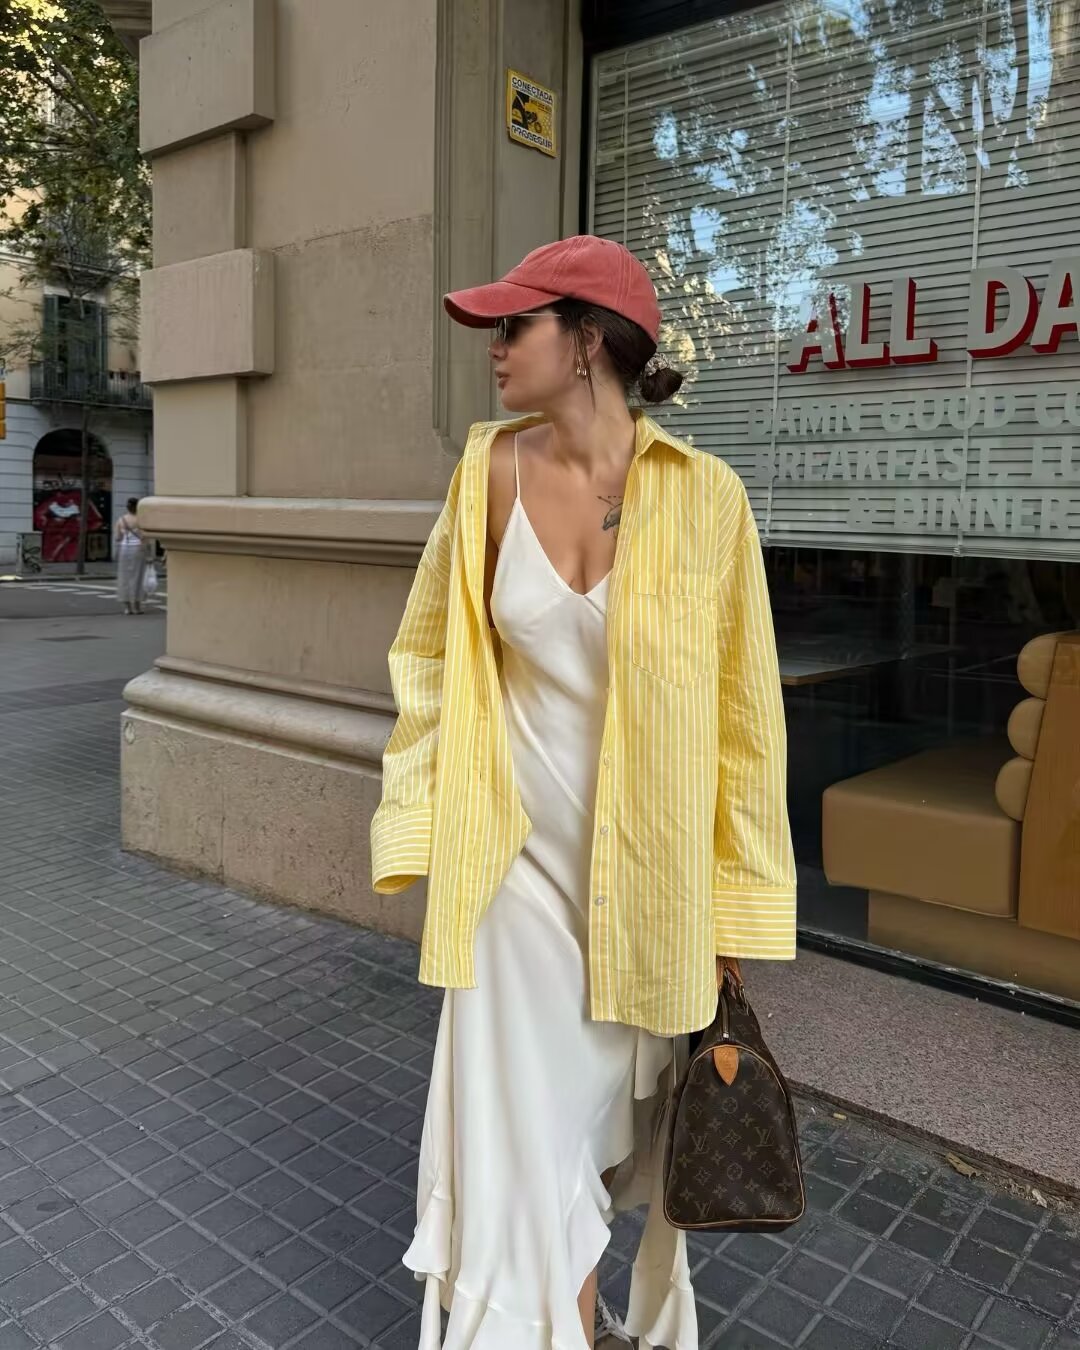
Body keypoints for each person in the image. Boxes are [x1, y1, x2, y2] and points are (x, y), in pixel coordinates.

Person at [370, 235, 796, 1349]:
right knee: (521, 1146)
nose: (496, 346)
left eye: (517, 324)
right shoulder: (487, 475)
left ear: (590, 342)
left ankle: (580, 1322)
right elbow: (427, 658)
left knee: (589, 1138)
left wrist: (733, 911)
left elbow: (746, 722)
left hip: (643, 889)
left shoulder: (707, 500)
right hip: (510, 875)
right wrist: (417, 823)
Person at [115, 496, 149, 614]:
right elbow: (145, 537)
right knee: (137, 577)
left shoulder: (121, 520)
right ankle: (137, 606)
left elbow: (117, 537)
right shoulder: (141, 520)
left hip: (124, 549)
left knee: (124, 577)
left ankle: (127, 607)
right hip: (137, 549)